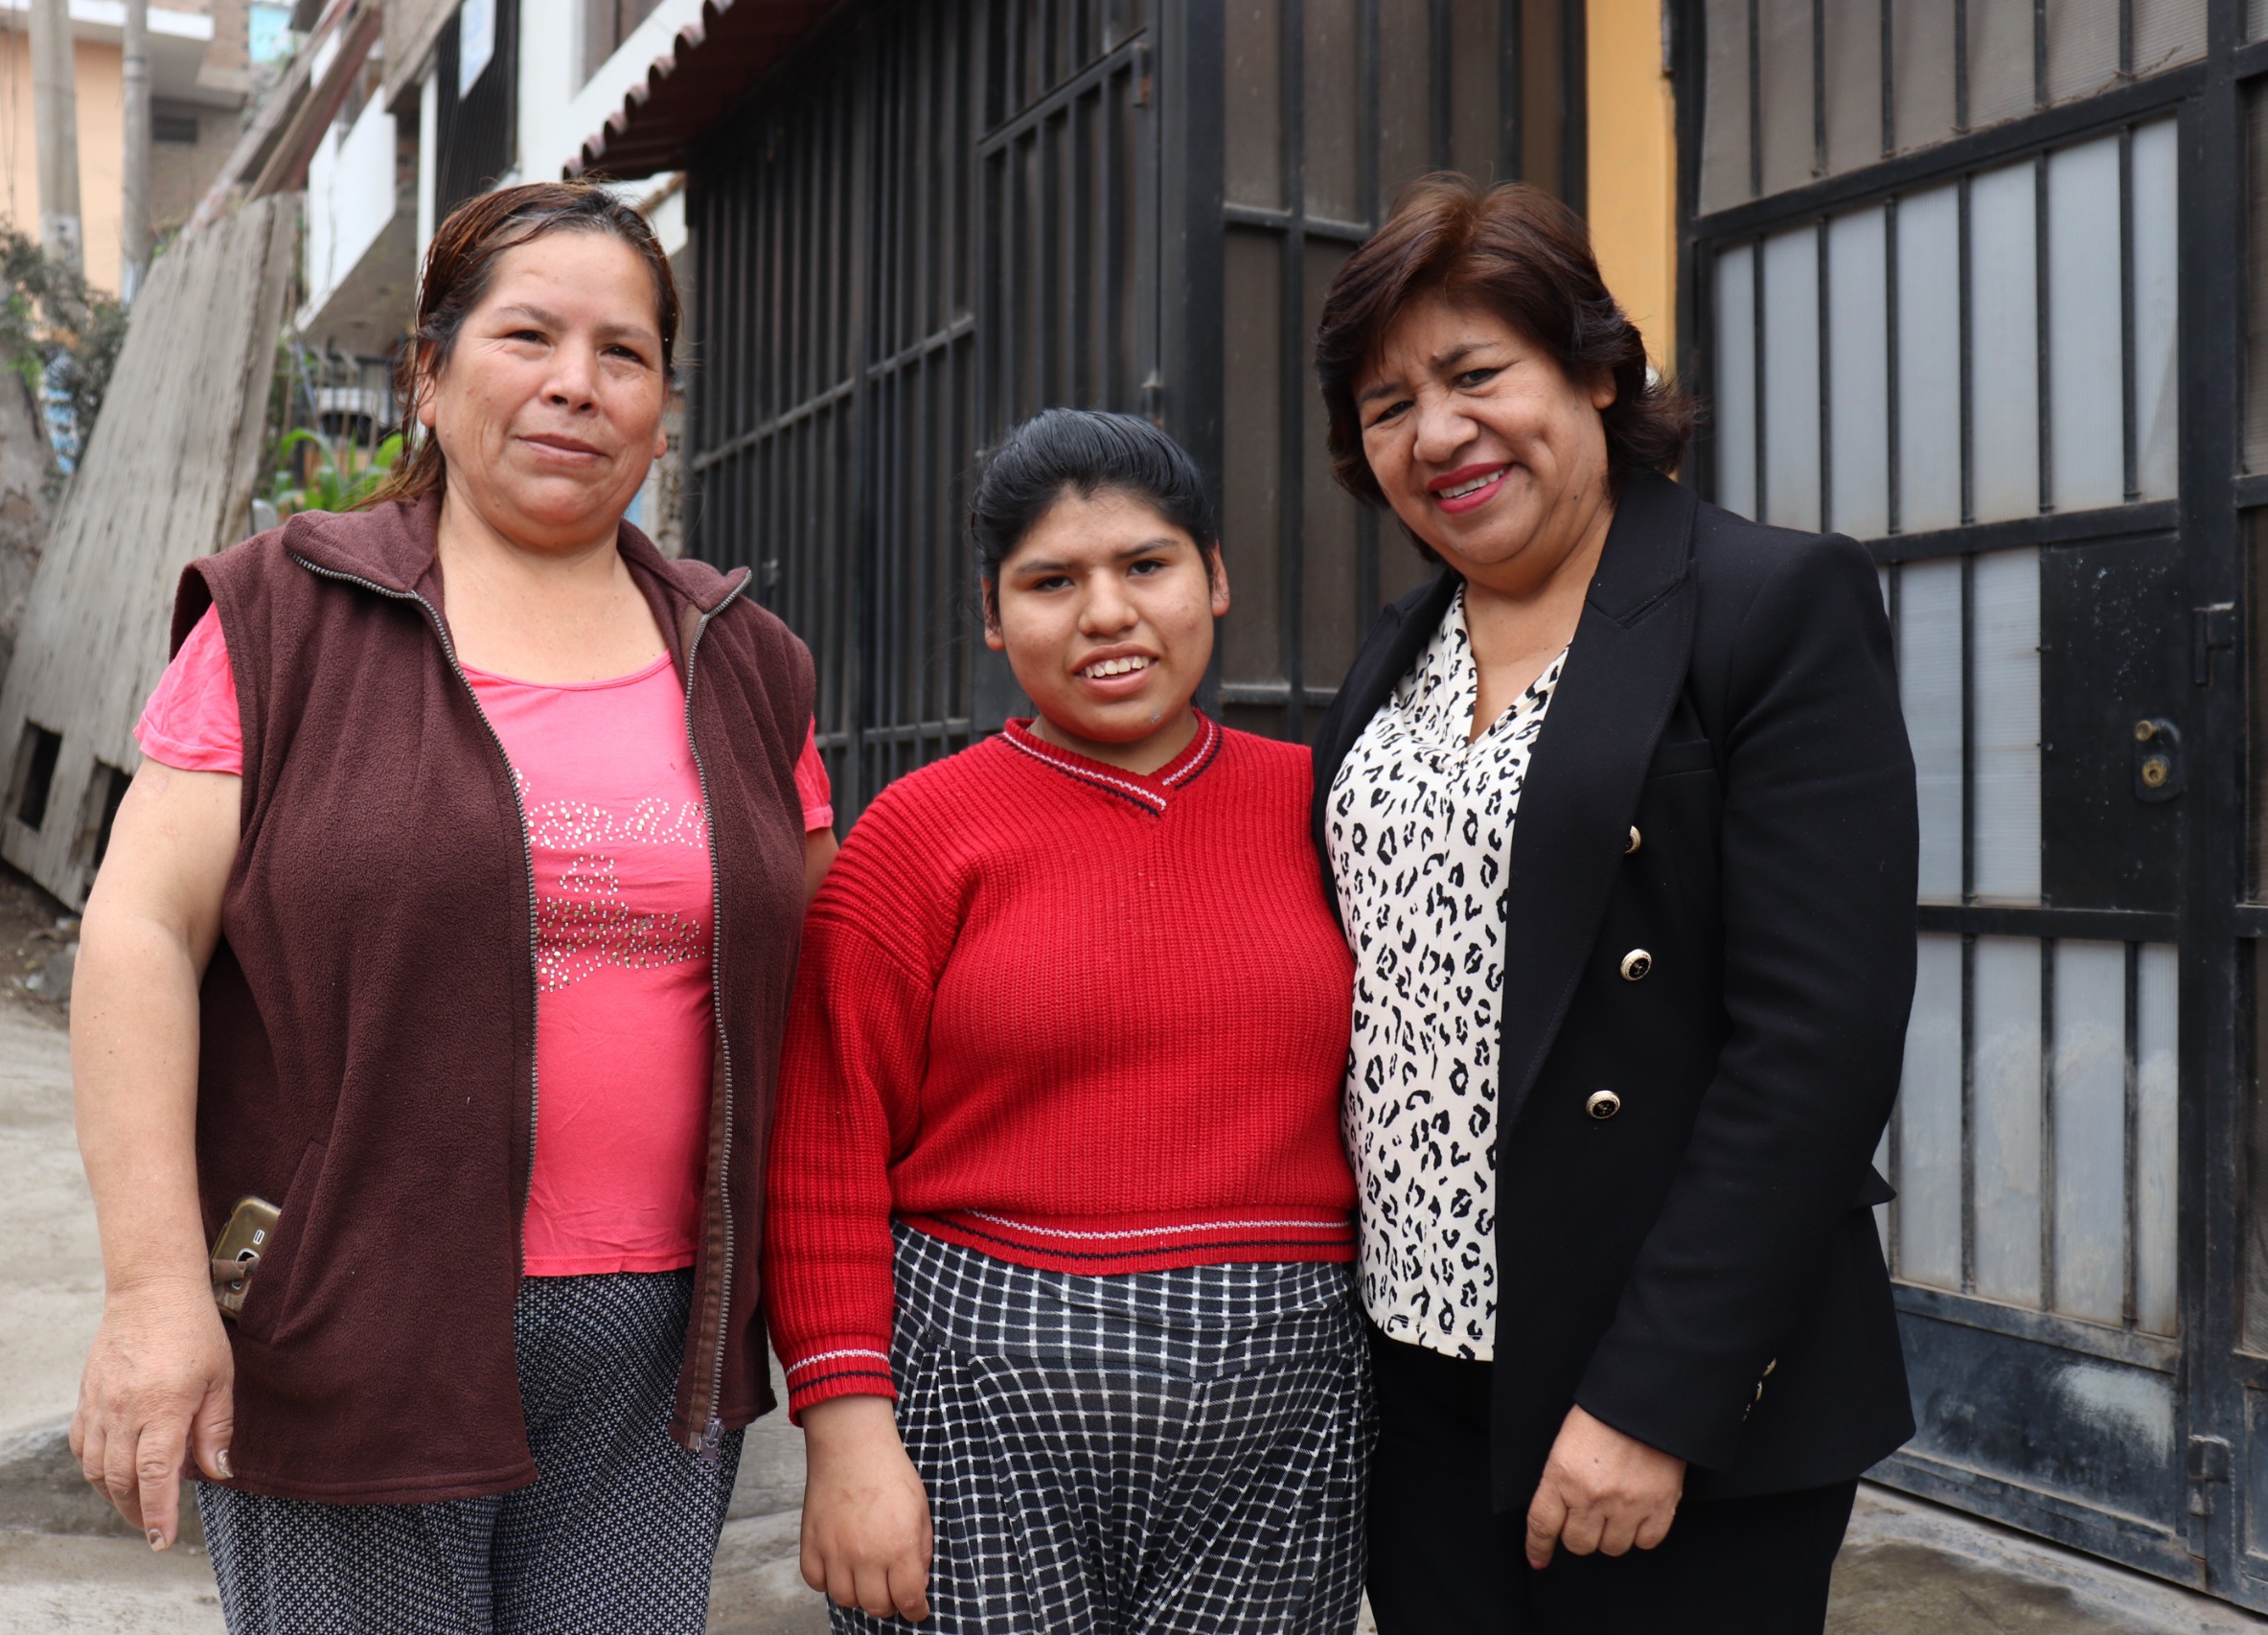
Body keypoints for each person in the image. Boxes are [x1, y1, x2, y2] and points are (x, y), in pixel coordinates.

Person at [67, 181, 836, 1634]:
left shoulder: (749, 662)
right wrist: (156, 1287)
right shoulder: (283, 618)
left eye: (624, 353)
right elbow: (138, 935)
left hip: (655, 1347)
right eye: (527, 333)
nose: (575, 384)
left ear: (665, 407)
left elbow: (819, 971)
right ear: (427, 371)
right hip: (352, 1313)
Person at [1307, 176, 1917, 1631]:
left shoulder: (1764, 605)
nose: (1435, 433)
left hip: (1659, 1391)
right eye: (1386, 404)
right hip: (1418, 1383)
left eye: (1473, 374)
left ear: (1593, 368)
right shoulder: (1399, 652)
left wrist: (1654, 1398)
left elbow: (1815, 1046)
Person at [765, 408, 1369, 1633]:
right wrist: (846, 1429)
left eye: (1145, 566)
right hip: (977, 1390)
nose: (1105, 614)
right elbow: (824, 1143)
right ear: (994, 615)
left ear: (1214, 577)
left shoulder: (1330, 810)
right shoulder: (918, 836)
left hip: (1287, 1399)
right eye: (1051, 581)